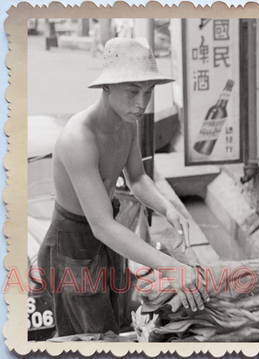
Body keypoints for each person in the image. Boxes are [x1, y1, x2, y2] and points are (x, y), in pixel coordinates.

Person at [37, 37, 209, 337]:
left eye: (148, 91)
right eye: (132, 91)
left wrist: (168, 207)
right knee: (92, 340)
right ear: (106, 88)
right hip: (72, 247)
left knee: (118, 324)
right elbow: (100, 225)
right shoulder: (79, 138)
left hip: (109, 239)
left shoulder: (128, 121)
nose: (142, 103)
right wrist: (172, 267)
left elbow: (138, 179)